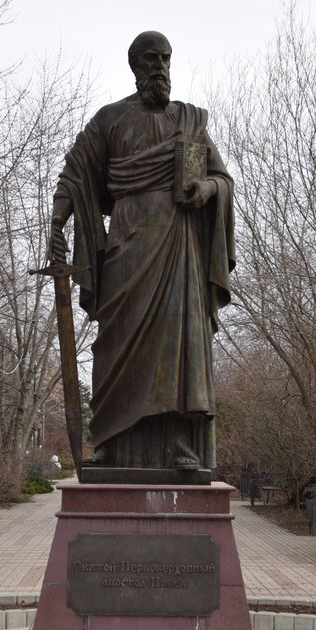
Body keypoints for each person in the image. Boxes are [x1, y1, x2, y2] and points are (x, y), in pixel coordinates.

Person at [48, 31, 234, 473]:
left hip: (179, 249)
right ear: (134, 65)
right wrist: (57, 223)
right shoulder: (110, 119)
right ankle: (110, 440)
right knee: (114, 344)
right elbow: (75, 174)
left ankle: (179, 448)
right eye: (151, 59)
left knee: (177, 344)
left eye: (166, 59)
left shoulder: (190, 121)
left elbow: (222, 178)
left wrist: (206, 188)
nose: (161, 67)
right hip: (126, 248)